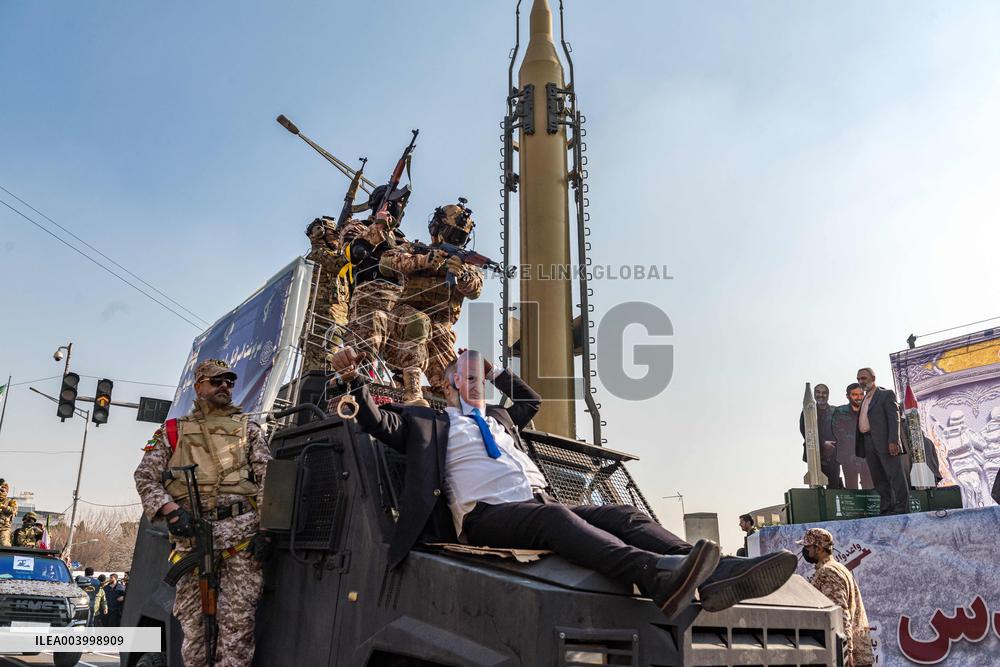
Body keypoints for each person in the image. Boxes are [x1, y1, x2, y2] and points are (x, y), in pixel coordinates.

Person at [330, 347, 797, 621]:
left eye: (480, 378)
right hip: (485, 516)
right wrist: (351, 377)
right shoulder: (426, 421)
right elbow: (376, 423)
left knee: (621, 515)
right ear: (449, 383)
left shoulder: (498, 418)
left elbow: (530, 400)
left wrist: (497, 372)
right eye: (467, 377)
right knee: (554, 517)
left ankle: (716, 576)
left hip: (535, 502)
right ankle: (656, 574)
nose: (475, 384)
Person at [134, 359, 272, 667]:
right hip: (191, 542)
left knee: (237, 634)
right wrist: (170, 510)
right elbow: (145, 477)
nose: (225, 386)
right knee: (195, 636)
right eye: (216, 381)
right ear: (199, 387)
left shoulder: (249, 431)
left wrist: (265, 531)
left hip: (240, 545)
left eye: (229, 382)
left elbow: (268, 481)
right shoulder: (173, 431)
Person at [380, 200, 483, 404]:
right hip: (403, 321)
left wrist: (461, 275)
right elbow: (386, 263)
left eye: (460, 236)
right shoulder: (417, 250)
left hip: (439, 329)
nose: (455, 239)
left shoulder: (466, 264)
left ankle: (435, 400)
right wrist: (424, 261)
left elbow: (475, 290)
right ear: (437, 230)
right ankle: (412, 394)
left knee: (452, 384)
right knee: (419, 322)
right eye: (450, 232)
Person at [798, 528, 874, 666]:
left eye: (808, 547)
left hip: (847, 658)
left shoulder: (828, 572)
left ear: (819, 548)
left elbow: (841, 615)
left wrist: (846, 653)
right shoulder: (838, 567)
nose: (806, 551)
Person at [301, 216, 352, 373]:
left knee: (335, 363)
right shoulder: (318, 255)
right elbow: (341, 262)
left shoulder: (330, 255)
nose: (337, 237)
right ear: (319, 233)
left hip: (338, 321)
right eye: (334, 233)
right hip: (323, 322)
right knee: (323, 366)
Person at [855, 368, 909, 514]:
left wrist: (893, 440)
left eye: (864, 378)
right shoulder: (864, 399)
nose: (861, 382)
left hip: (885, 442)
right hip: (868, 442)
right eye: (859, 379)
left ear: (873, 377)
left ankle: (902, 508)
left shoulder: (885, 394)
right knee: (878, 478)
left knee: (895, 475)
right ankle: (886, 508)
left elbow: (894, 418)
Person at [799, 384, 844, 489]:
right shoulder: (807, 411)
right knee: (815, 488)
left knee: (834, 487)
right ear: (814, 395)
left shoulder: (835, 411)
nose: (821, 395)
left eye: (824, 393)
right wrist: (823, 443)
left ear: (828, 395)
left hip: (833, 457)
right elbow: (805, 431)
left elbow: (842, 430)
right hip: (814, 456)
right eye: (818, 392)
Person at [830, 384, 874, 490]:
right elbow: (838, 433)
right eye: (854, 394)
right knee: (851, 488)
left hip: (868, 457)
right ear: (848, 396)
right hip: (848, 457)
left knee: (870, 488)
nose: (859, 397)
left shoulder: (870, 411)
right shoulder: (840, 411)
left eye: (861, 394)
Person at [0, 479, 17, 547]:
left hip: (4, 528)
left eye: (2, 490)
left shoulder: (11, 501)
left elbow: (13, 510)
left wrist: (3, 507)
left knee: (5, 544)